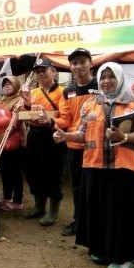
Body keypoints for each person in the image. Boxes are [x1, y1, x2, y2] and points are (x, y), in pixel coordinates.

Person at [54, 62, 134, 268]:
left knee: (121, 214)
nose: (106, 81)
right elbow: (82, 134)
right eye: (103, 77)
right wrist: (66, 135)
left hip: (124, 168)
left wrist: (125, 136)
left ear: (119, 78)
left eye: (111, 77)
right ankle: (101, 249)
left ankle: (123, 258)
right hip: (94, 166)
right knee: (99, 210)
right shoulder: (91, 104)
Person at [40, 48, 98, 236]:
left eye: (82, 62)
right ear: (70, 67)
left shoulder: (101, 85)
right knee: (77, 187)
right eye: (74, 63)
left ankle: (96, 223)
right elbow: (66, 119)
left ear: (91, 63)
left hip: (97, 147)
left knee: (96, 187)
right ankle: (78, 221)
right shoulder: (69, 91)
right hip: (74, 146)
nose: (78, 66)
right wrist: (51, 122)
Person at [20, 58, 65, 226]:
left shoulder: (62, 91)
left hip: (52, 135)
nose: (40, 73)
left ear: (53, 71)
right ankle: (39, 206)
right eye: (38, 70)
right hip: (35, 135)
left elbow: (64, 116)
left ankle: (53, 211)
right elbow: (30, 112)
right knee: (33, 170)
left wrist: (48, 120)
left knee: (52, 172)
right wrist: (26, 104)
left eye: (44, 69)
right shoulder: (34, 92)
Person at [0, 76, 25, 212]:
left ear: (16, 86)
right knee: (5, 169)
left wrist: (8, 131)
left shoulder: (20, 100)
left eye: (10, 84)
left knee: (15, 171)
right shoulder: (0, 100)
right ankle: (7, 197)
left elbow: (18, 119)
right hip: (1, 140)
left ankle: (18, 201)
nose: (7, 86)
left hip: (15, 139)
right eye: (4, 84)